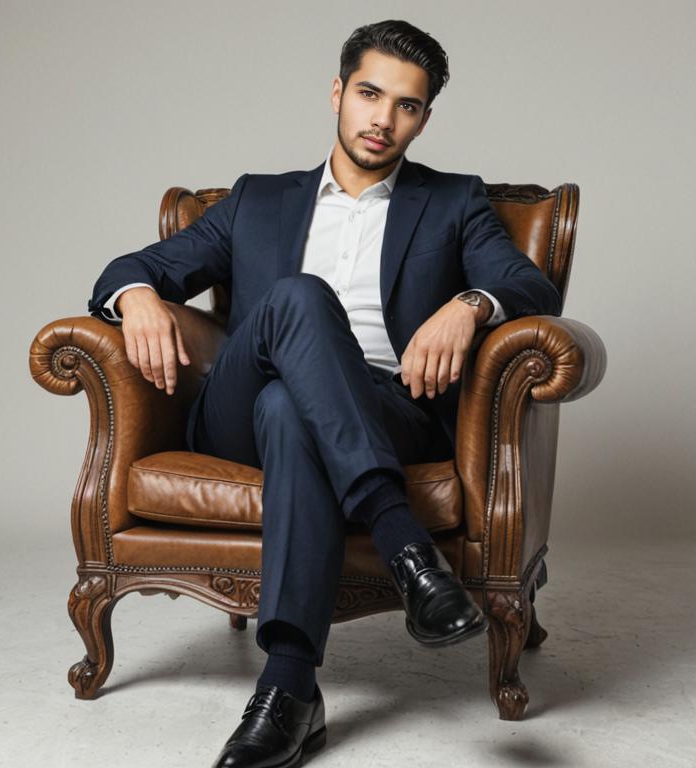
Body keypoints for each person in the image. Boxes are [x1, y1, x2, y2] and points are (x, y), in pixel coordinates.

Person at [87, 18, 562, 768]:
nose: (383, 118)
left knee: (293, 410)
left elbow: (530, 283)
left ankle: (289, 690)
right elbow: (132, 265)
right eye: (369, 93)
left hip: (387, 405)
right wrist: (140, 298)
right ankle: (409, 552)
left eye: (406, 105)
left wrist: (469, 307)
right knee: (296, 301)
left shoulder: (453, 202)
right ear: (338, 92)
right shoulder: (257, 200)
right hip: (238, 410)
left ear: (425, 118)